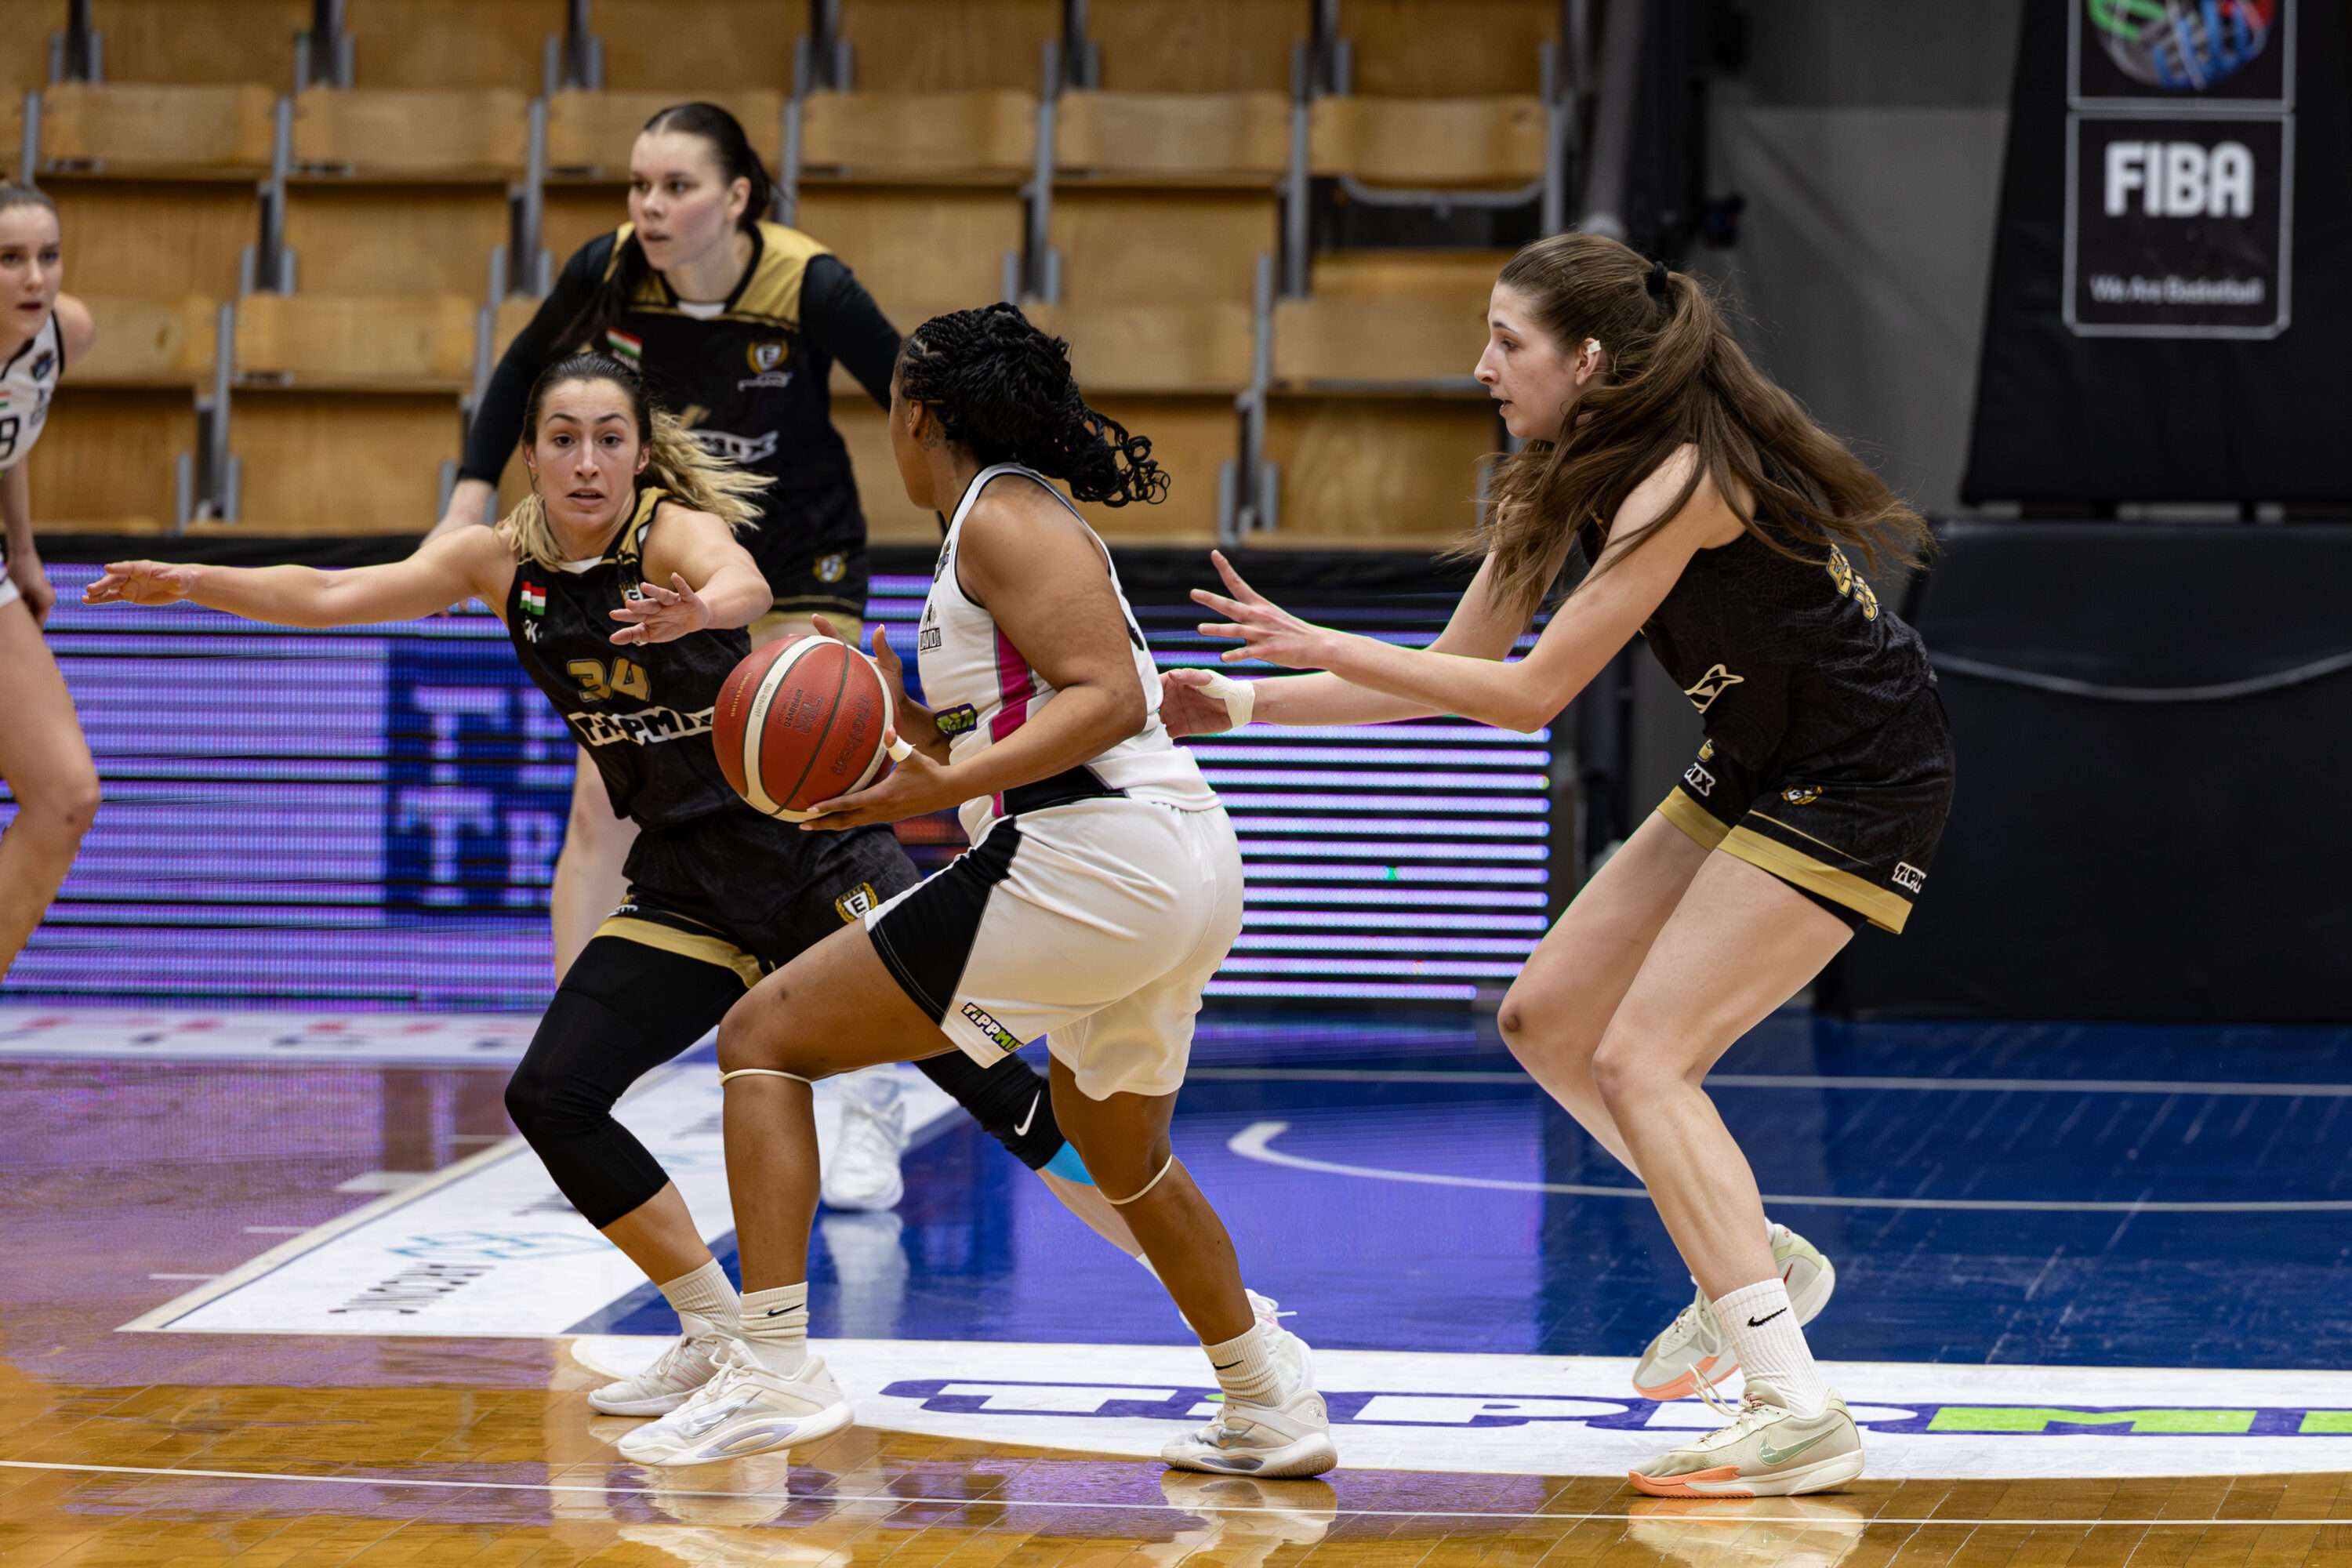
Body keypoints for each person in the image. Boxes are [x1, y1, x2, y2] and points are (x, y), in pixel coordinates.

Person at [85, 354, 1155, 1420]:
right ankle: (716, 1329)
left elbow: (742, 580)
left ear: (642, 455)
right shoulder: (494, 561)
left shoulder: (671, 535)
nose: (588, 462)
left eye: (609, 439)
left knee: (998, 1094)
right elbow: (333, 592)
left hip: (814, 853)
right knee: (551, 1094)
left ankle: (1202, 1294)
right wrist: (193, 583)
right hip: (689, 877)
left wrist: (703, 611)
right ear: (532, 455)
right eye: (564, 440)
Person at [1168, 233, 1954, 1498]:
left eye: (1507, 341)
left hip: (1864, 769)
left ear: (1586, 360)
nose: (1483, 366)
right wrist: (1240, 704)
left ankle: (1796, 1405)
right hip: (1758, 755)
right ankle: (1753, 1258)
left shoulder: (1685, 476)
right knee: (1548, 1018)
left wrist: (1320, 641)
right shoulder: (1555, 474)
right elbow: (1456, 670)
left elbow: (1532, 696)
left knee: (1645, 1057)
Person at [614, 305, 1336, 1480]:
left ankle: (773, 1363)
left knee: (762, 1037)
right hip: (1169, 860)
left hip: (1096, 851)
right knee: (1119, 1148)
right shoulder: (997, 524)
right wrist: (907, 723)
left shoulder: (1002, 515)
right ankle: (1266, 1395)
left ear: (917, 414)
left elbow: (1107, 697)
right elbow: (1025, 718)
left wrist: (945, 780)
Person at [430, 101, 915, 1209]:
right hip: (658, 560)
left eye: (676, 187)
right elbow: (521, 370)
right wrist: (464, 503)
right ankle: (581, 1082)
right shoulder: (608, 269)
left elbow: (911, 396)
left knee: (809, 803)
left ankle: (872, 1091)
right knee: (598, 811)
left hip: (791, 563)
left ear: (736, 198)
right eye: (639, 185)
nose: (649, 207)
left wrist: (971, 535)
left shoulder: (808, 285)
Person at [0, 183, 100, 985]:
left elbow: (13, 430)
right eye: (9, 259)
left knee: (67, 795)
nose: (35, 277)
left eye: (48, 256)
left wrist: (25, 550)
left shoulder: (64, 332)